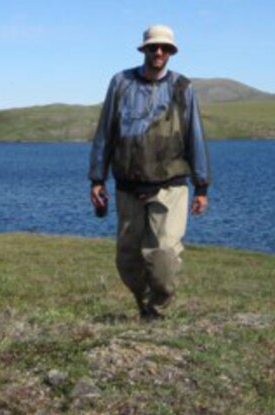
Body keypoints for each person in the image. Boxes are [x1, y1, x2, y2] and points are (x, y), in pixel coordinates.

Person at [88, 24, 212, 319]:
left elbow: (195, 134)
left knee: (163, 258)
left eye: (165, 48)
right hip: (127, 186)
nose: (159, 52)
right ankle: (146, 307)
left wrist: (202, 186)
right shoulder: (120, 83)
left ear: (171, 52)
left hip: (171, 186)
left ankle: (158, 310)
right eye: (154, 47)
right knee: (127, 260)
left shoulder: (183, 87)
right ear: (143, 49)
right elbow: (106, 131)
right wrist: (97, 178)